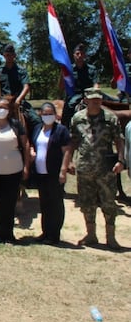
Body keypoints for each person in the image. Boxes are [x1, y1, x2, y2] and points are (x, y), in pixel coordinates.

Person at [61, 88, 125, 249]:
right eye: (93, 99)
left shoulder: (110, 118)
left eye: (98, 99)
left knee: (109, 203)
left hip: (106, 170)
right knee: (87, 203)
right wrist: (69, 162)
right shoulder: (77, 118)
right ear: (86, 100)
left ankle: (111, 237)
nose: (96, 101)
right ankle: (91, 235)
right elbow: (73, 141)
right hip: (84, 168)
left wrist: (121, 160)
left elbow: (119, 140)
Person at [0, 98, 30, 244]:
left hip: (13, 171)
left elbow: (26, 144)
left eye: (5, 107)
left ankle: (8, 234)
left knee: (9, 203)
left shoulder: (16, 125)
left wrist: (26, 166)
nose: (2, 110)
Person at [29, 102, 70, 245]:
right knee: (44, 204)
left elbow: (67, 152)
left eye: (50, 113)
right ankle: (45, 232)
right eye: (45, 114)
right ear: (40, 114)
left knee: (56, 204)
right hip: (40, 173)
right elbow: (34, 145)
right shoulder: (37, 129)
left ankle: (54, 234)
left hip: (54, 173)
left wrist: (63, 170)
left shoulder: (61, 130)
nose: (47, 116)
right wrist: (32, 152)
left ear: (55, 114)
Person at [0, 44, 39, 135]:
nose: (9, 57)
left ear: (14, 55)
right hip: (3, 102)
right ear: (4, 56)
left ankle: (33, 144)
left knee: (36, 120)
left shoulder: (21, 70)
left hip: (18, 101)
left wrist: (18, 100)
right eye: (7, 55)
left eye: (11, 55)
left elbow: (26, 86)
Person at [60, 43, 99, 126]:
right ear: (74, 55)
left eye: (82, 53)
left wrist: (93, 93)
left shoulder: (92, 69)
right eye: (77, 54)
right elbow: (61, 87)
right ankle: (67, 126)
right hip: (74, 95)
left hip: (89, 95)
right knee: (69, 107)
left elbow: (96, 84)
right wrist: (62, 74)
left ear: (85, 55)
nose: (80, 56)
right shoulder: (69, 70)